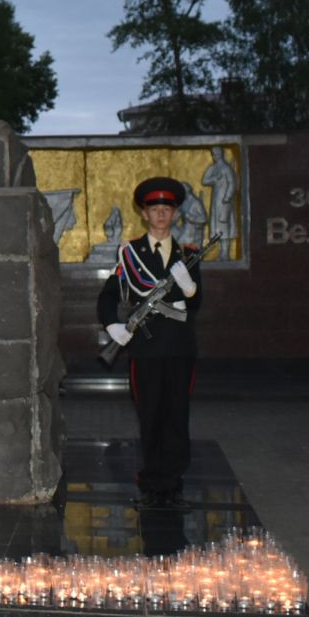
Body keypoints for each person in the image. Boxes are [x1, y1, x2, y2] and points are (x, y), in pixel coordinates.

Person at [96, 177, 204, 509]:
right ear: (144, 214)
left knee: (176, 417)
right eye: (154, 209)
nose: (160, 215)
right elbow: (109, 295)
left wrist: (189, 290)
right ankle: (151, 486)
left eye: (166, 209)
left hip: (179, 350)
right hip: (145, 351)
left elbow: (197, 306)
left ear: (175, 215)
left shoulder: (189, 254)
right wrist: (112, 324)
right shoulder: (130, 253)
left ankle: (172, 485)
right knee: (151, 416)